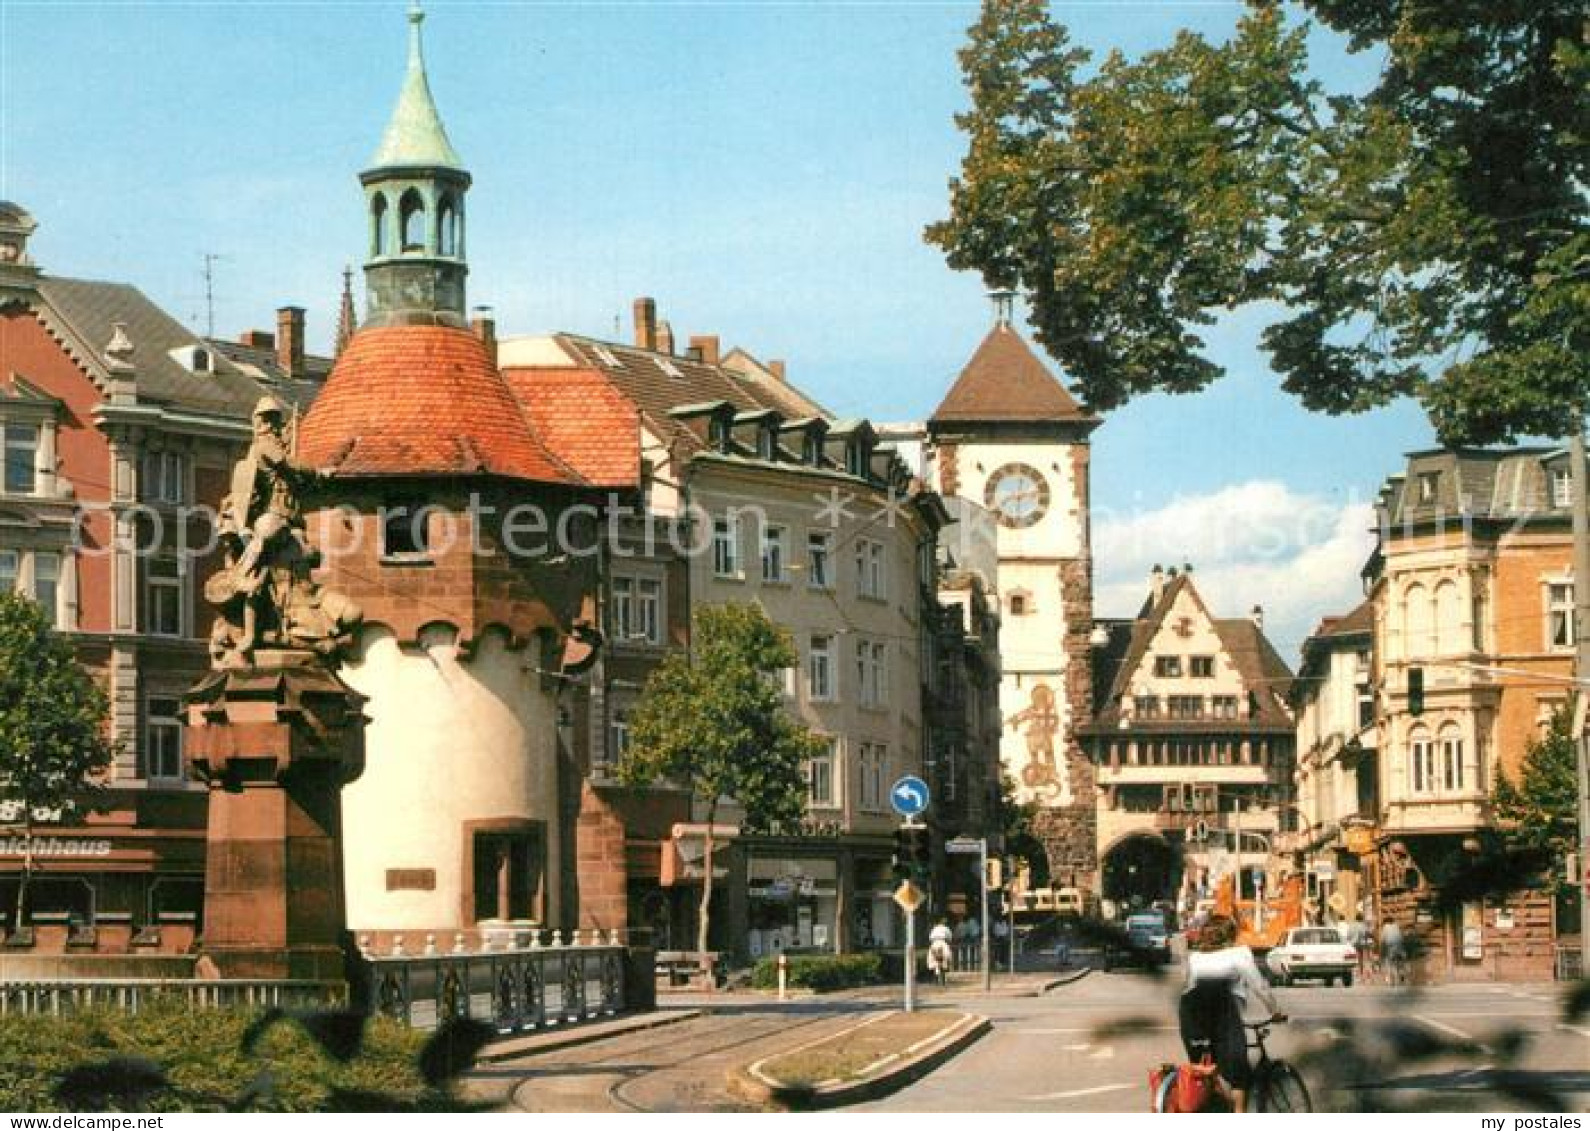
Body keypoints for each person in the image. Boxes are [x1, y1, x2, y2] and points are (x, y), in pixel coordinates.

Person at [1178, 914, 1282, 1113]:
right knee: (1238, 1077)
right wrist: (1275, 1011)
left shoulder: (1195, 958)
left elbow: (1188, 986)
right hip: (1223, 1010)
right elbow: (1259, 986)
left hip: (1190, 1013)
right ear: (1231, 935)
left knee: (1206, 1070)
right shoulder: (1239, 954)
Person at [1379, 919, 1407, 985]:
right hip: (1400, 947)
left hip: (1391, 947)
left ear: (1385, 922)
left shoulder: (1385, 927)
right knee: (1399, 962)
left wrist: (1382, 953)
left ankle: (1391, 980)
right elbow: (1402, 938)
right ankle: (1401, 973)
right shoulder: (1397, 926)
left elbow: (1383, 941)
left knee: (1389, 962)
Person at [928, 919, 953, 984]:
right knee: (947, 956)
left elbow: (930, 938)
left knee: (931, 959)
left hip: (934, 943)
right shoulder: (946, 928)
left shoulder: (934, 929)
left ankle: (936, 978)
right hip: (942, 942)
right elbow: (950, 937)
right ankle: (944, 976)